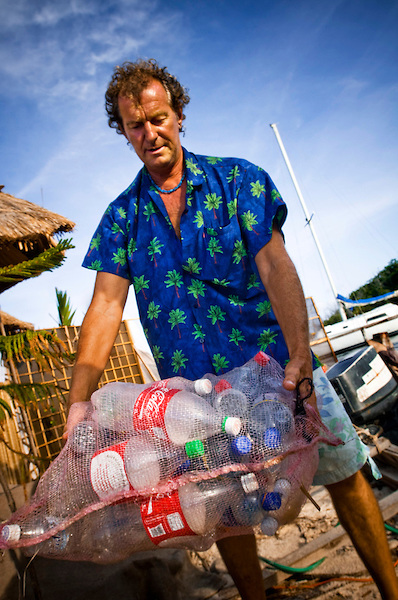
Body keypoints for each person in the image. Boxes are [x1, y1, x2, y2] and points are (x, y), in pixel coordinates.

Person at [64, 59, 398, 600]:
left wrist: (299, 354)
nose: (150, 133)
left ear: (178, 115)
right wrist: (79, 400)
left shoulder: (238, 180)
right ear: (123, 132)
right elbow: (105, 307)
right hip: (195, 400)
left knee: (343, 470)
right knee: (222, 510)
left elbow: (276, 266)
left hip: (278, 369)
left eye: (158, 117)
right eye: (135, 125)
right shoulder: (121, 217)